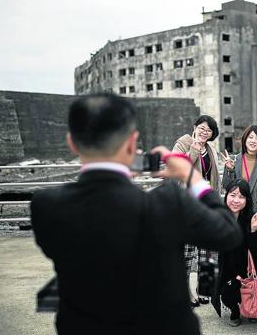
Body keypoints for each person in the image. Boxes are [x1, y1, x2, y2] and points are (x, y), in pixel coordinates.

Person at [30, 93, 242, 335]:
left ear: (72, 143)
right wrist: (192, 177)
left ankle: (203, 290)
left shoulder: (46, 206)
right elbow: (227, 232)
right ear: (132, 143)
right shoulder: (169, 202)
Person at [172, 115, 220, 306]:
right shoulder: (183, 143)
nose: (203, 132)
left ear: (212, 134)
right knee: (187, 251)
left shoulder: (210, 149)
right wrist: (194, 147)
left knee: (207, 250)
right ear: (194, 127)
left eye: (208, 130)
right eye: (201, 127)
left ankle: (204, 289)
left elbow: (213, 178)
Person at [211, 179, 257, 327]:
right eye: (233, 195)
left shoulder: (253, 218)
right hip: (229, 270)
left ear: (247, 200)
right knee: (228, 294)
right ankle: (235, 311)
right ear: (226, 197)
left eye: (241, 197)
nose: (236, 200)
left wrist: (253, 230)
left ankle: (252, 308)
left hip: (250, 271)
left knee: (250, 290)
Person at [220, 125, 257, 220]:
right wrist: (229, 170)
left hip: (256, 212)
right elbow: (227, 186)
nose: (253, 141)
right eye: (250, 137)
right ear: (245, 139)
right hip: (236, 211)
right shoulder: (233, 160)